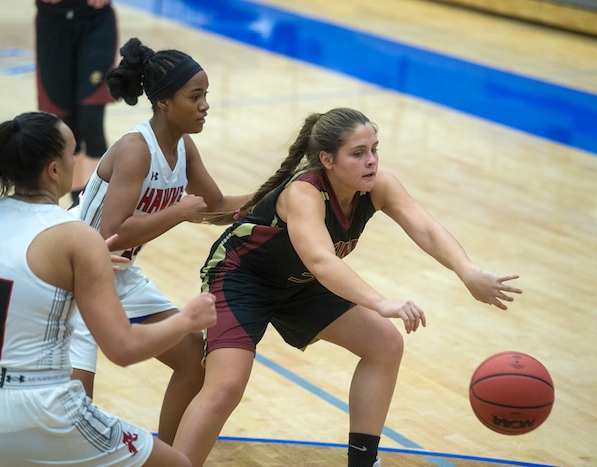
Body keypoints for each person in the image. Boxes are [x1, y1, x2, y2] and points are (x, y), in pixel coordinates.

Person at [171, 107, 524, 467]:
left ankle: (363, 462)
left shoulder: (378, 186)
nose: (370, 161)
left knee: (384, 344)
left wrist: (467, 271)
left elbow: (427, 228)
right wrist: (380, 302)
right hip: (241, 278)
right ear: (327, 159)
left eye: (374, 149)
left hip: (299, 282)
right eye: (358, 153)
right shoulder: (304, 194)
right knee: (226, 386)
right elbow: (322, 261)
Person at [0, 112, 216, 466]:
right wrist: (187, 319)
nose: (75, 160)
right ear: (53, 170)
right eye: (70, 153)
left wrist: (77, 269)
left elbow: (21, 280)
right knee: (178, 465)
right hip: (33, 408)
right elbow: (123, 349)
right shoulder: (76, 237)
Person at [69, 36, 252, 444]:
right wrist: (178, 212)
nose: (206, 105)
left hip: (117, 272)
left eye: (206, 95)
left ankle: (168, 457)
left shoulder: (183, 147)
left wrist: (280, 193)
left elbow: (216, 205)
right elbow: (110, 233)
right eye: (196, 96)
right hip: (74, 274)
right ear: (165, 103)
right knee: (74, 408)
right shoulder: (136, 150)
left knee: (193, 357)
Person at [35, 0, 117, 206]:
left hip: (94, 19)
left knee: (91, 118)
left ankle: (102, 202)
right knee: (67, 126)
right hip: (53, 21)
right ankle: (79, 205)